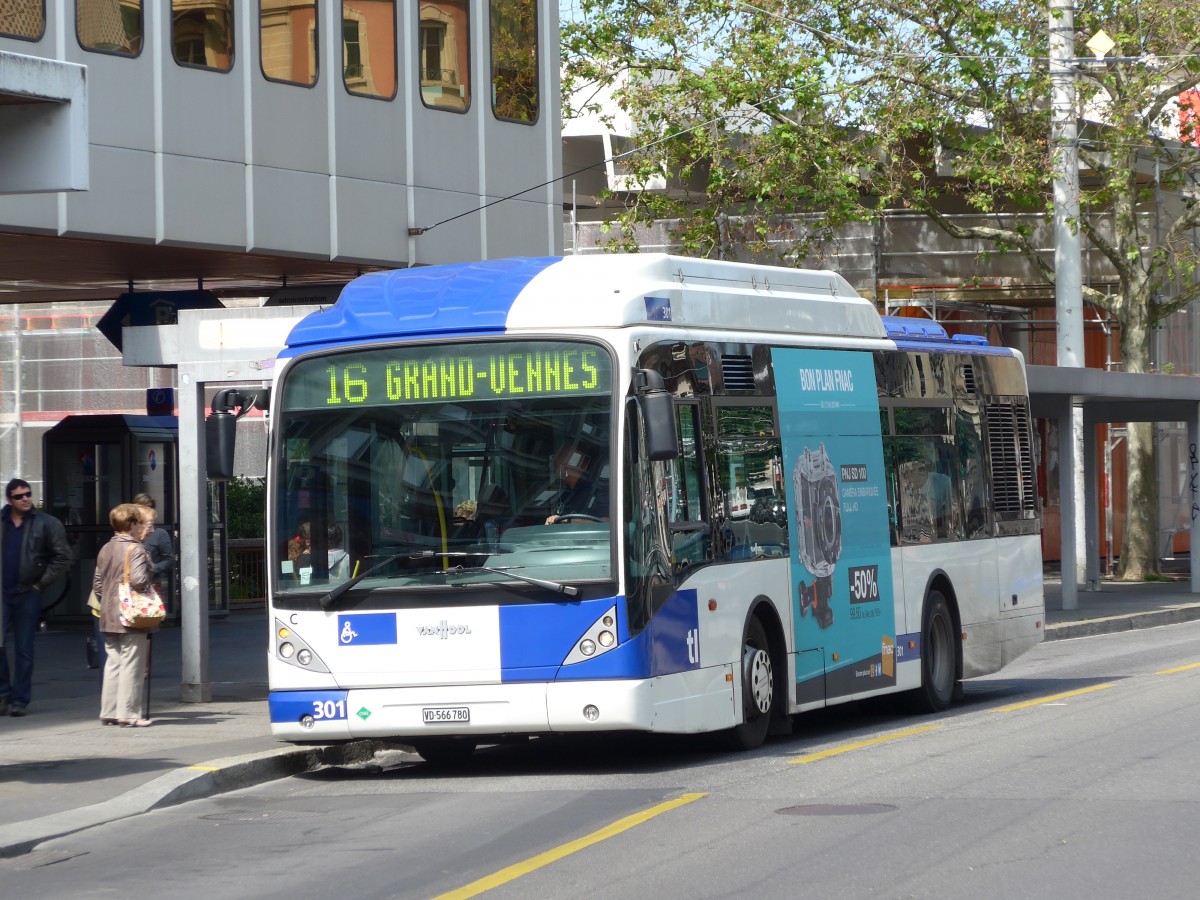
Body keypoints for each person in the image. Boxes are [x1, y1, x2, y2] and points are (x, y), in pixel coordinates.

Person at [0, 478, 72, 717]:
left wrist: (41, 584)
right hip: (2, 592)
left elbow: (62, 557)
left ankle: (19, 700)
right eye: (19, 496)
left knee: (24, 647)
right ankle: (3, 695)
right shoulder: (2, 521)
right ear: (9, 500)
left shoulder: (46, 523)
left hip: (27, 592)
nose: (26, 499)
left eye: (28, 494)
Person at [93, 503, 157, 727]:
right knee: (132, 663)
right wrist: (150, 567)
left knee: (114, 662)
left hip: (108, 614)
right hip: (130, 615)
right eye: (139, 522)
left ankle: (109, 710)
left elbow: (98, 586)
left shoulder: (105, 549)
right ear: (131, 524)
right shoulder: (136, 549)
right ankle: (128, 713)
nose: (141, 526)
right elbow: (139, 581)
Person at [133, 493, 176, 614]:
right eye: (141, 508)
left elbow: (170, 559)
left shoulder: (159, 534)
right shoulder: (128, 532)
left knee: (148, 623)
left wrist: (153, 568)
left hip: (150, 585)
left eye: (149, 508)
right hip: (129, 587)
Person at [544, 448, 607, 524]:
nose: (556, 471)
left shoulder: (596, 492)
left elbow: (606, 523)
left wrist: (567, 520)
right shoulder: (564, 494)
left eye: (556, 467)